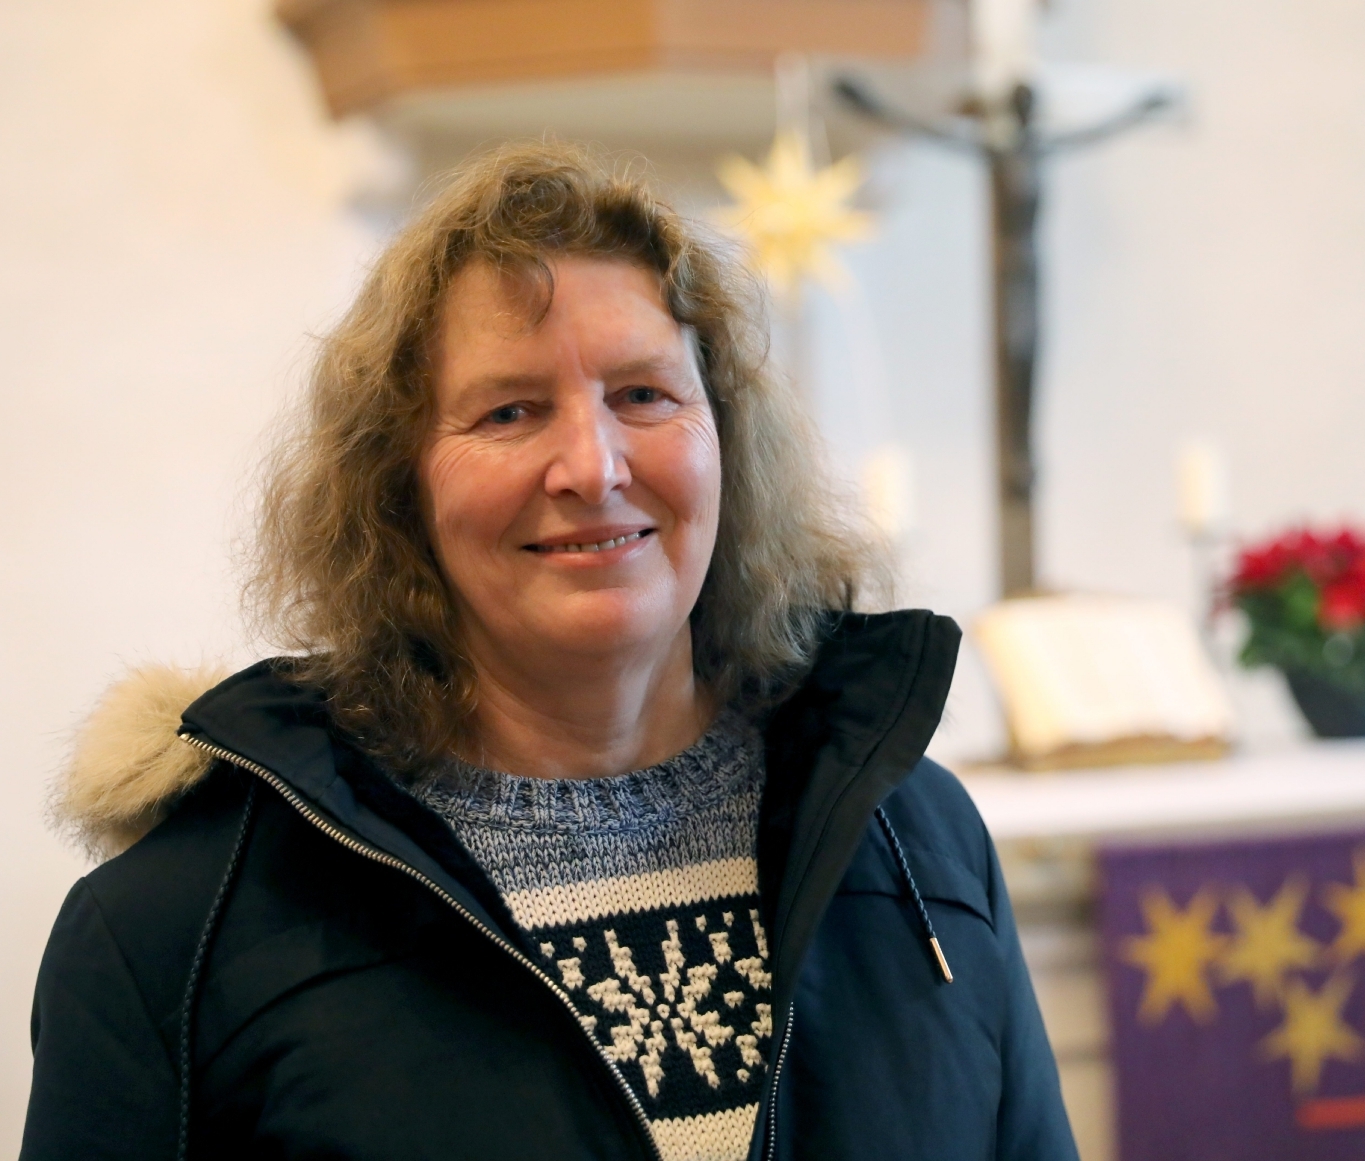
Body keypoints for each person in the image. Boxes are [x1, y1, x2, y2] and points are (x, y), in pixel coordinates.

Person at [23, 142, 1076, 1161]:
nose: (592, 466)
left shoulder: (915, 838)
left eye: (643, 394)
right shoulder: (181, 923)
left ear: (725, 441)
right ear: (397, 489)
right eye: (510, 411)